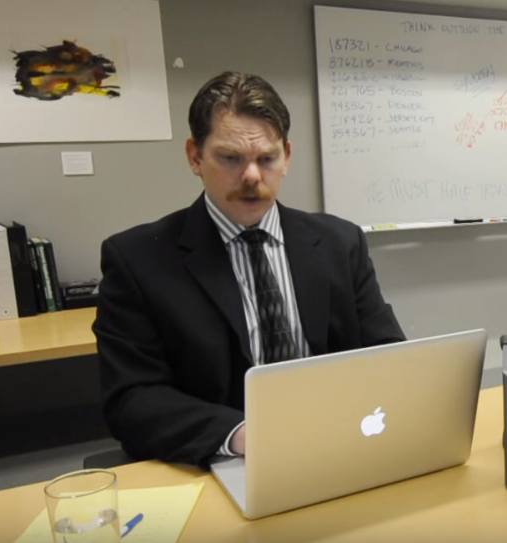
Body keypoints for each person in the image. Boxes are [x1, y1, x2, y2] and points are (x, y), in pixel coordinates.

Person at [94, 72, 405, 467]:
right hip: (224, 461)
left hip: (339, 446)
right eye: (230, 158)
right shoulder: (138, 259)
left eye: (267, 159)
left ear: (286, 156)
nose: (252, 176)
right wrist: (243, 435)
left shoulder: (340, 243)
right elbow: (132, 399)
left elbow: (388, 355)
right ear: (194, 157)